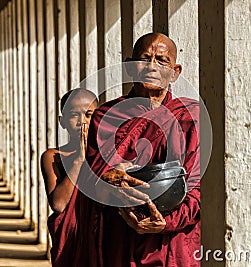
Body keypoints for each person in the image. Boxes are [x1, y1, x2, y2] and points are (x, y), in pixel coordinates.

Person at [82, 32, 201, 266]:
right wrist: (110, 179)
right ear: (129, 67)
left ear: (175, 73)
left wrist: (166, 222)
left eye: (162, 61)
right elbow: (92, 180)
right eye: (144, 59)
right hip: (119, 233)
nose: (151, 67)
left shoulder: (189, 117)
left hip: (169, 239)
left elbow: (198, 186)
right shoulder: (106, 117)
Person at [40, 88, 98, 266]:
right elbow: (58, 204)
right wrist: (80, 160)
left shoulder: (107, 154)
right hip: (71, 238)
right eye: (74, 115)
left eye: (89, 114)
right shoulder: (54, 156)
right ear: (62, 121)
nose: (83, 122)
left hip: (100, 234)